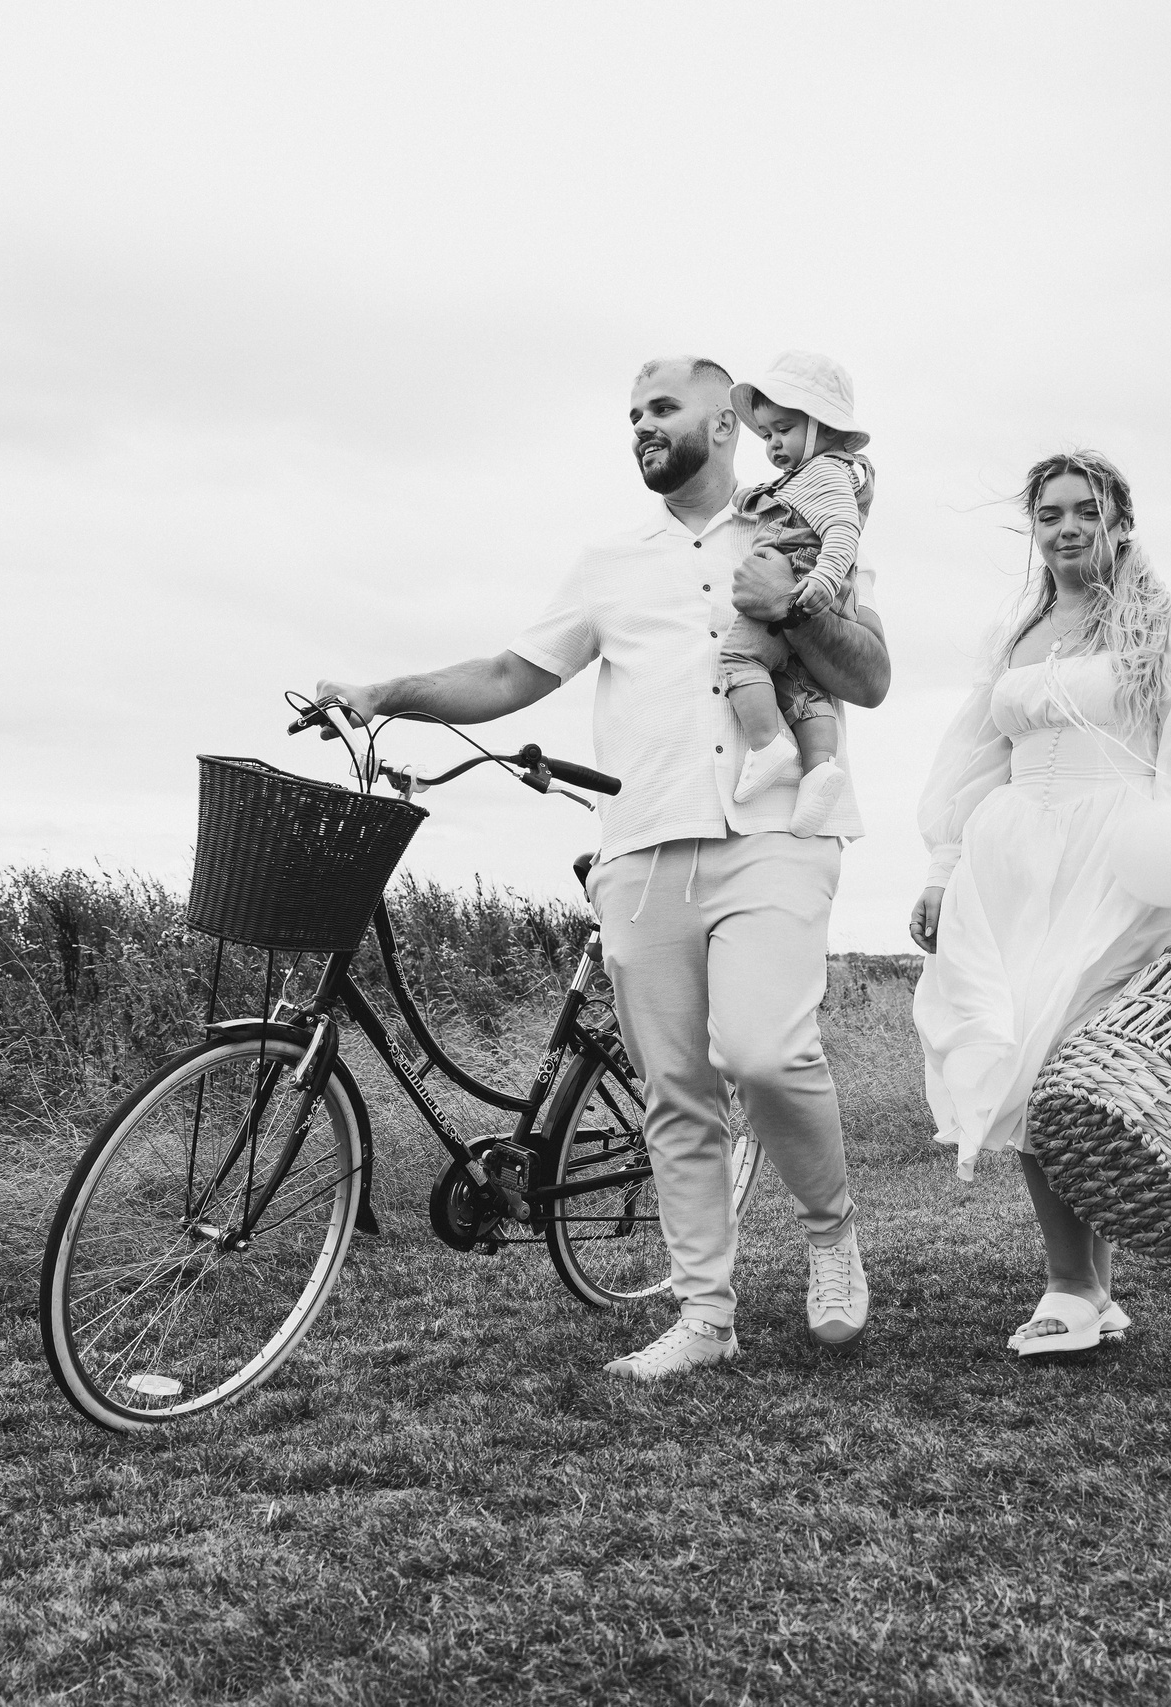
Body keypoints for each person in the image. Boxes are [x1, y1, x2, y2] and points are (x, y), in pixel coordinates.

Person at [317, 356, 890, 1381]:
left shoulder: (797, 526)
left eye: (661, 409)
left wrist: (793, 605)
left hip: (776, 833)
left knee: (764, 1054)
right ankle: (705, 1318)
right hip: (643, 844)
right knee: (676, 1089)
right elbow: (508, 674)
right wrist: (386, 690)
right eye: (630, 415)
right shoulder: (608, 561)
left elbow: (873, 679)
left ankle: (828, 1232)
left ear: (724, 426)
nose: (639, 427)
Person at [907, 451, 1171, 1358]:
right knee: (1022, 1052)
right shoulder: (1018, 632)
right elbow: (973, 758)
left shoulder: (1162, 620)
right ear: (1034, 528)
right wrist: (941, 864)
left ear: (1122, 518)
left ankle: (1069, 1287)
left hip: (1115, 854)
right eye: (1050, 514)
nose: (1068, 527)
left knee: (1059, 1064)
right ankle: (1092, 1290)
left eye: (1087, 510)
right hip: (1007, 859)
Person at [721, 353, 876, 837]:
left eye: (783, 429)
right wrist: (751, 498)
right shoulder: (817, 475)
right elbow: (784, 497)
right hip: (810, 585)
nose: (772, 443)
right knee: (800, 685)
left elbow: (842, 528)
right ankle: (819, 769)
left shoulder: (826, 472)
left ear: (825, 428)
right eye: (766, 434)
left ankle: (766, 743)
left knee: (741, 660)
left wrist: (823, 581)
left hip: (797, 575)